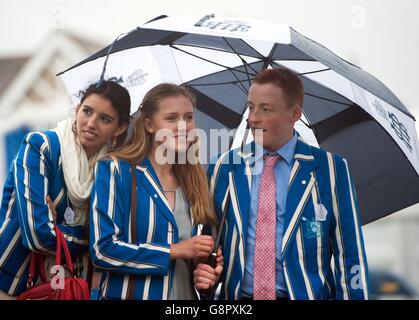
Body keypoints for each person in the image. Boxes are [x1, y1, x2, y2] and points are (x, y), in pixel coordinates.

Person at [194, 68, 369, 300]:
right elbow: (208, 248)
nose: (253, 118)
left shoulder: (331, 169)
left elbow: (350, 254)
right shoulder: (223, 168)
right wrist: (205, 276)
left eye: (265, 109)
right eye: (251, 107)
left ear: (294, 114)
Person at [89, 83, 222, 300]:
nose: (183, 126)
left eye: (188, 118)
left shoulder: (196, 182)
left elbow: (199, 269)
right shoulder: (115, 170)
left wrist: (205, 272)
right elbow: (102, 250)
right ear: (150, 125)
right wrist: (175, 251)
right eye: (171, 118)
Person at [0, 80, 130, 299]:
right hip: (12, 281)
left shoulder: (111, 169)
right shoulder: (41, 146)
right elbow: (37, 236)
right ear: (77, 109)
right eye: (87, 111)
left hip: (67, 287)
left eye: (105, 119)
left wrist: (58, 228)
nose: (91, 123)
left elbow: (114, 237)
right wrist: (91, 240)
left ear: (120, 127)